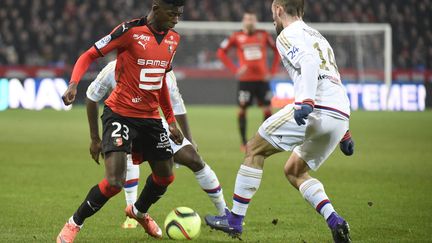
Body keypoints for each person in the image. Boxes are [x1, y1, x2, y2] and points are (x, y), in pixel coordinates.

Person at [205, 1, 355, 242]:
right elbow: (332, 79)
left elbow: (308, 61)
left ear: (278, 10)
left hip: (313, 110)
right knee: (294, 171)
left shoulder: (287, 35)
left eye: (272, 13)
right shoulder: (318, 37)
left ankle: (234, 220)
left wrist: (305, 101)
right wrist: (345, 132)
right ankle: (335, 221)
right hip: (339, 114)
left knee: (254, 149)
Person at [57, 0, 185, 242]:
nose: (176, 19)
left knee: (166, 176)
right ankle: (74, 223)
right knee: (115, 182)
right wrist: (73, 83)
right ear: (156, 8)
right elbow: (89, 55)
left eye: (179, 14)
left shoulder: (173, 39)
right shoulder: (129, 32)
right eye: (173, 13)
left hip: (150, 119)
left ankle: (138, 211)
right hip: (120, 114)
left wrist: (170, 120)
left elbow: (160, 84)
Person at [85, 61, 227, 229]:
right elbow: (91, 95)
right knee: (126, 157)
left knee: (193, 159)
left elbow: (176, 103)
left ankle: (225, 213)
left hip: (154, 124)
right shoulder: (115, 67)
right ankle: (131, 213)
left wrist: (189, 138)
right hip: (123, 121)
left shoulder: (163, 67)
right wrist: (95, 138)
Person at [217, 10, 280, 152]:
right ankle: (244, 142)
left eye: (252, 19)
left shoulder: (263, 35)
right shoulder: (236, 36)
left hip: (262, 80)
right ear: (243, 21)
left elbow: (277, 50)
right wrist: (235, 70)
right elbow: (221, 53)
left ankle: (264, 141)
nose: (249, 22)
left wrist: (272, 71)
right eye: (247, 19)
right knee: (242, 110)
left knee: (267, 109)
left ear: (255, 21)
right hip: (245, 80)